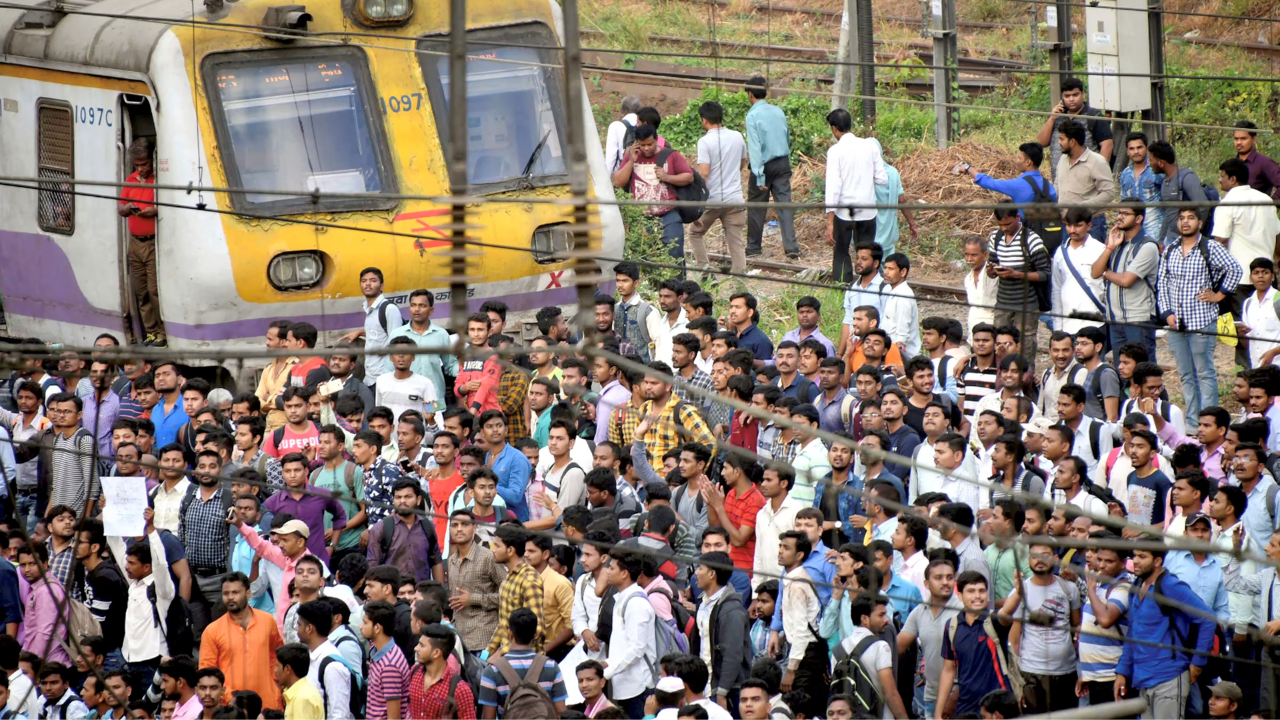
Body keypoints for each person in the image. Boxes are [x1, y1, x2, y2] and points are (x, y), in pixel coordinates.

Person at [1156, 208, 1243, 425]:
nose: (1185, 223)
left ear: (1200, 223)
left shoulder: (1210, 247)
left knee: (1205, 373)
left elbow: (1235, 269)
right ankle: (1194, 422)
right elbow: (1162, 283)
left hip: (1202, 321)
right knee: (1186, 374)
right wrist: (1166, 313)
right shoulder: (1171, 250)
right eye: (1182, 219)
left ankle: (1210, 421)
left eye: (1191, 218)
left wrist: (1219, 295)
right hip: (1176, 324)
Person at [1116, 537, 1216, 719]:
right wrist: (1122, 671)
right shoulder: (1136, 586)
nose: (1135, 561)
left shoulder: (1170, 586)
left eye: (1142, 556)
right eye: (1135, 555)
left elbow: (1207, 619)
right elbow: (1133, 633)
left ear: (1157, 561)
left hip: (1169, 676)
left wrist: (1197, 664)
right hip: (1142, 678)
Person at [1213, 157, 1280, 364]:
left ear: (1233, 179)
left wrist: (1219, 275)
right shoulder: (1266, 200)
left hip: (1241, 277)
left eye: (1222, 177)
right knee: (1271, 328)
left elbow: (1220, 241)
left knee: (1244, 330)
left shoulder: (1228, 202)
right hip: (1268, 274)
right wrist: (1275, 261)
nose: (1220, 181)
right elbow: (1278, 235)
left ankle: (1248, 376)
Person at [1001, 540, 1081, 714]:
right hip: (1033, 673)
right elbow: (1013, 640)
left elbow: (1077, 627)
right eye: (1034, 556)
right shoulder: (1021, 591)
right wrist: (1019, 681)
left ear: (1055, 558)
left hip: (1066, 672)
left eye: (1044, 555)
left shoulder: (1069, 589)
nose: (1039, 560)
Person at [198, 571, 284, 710]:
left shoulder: (267, 621)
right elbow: (208, 673)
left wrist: (276, 688)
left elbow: (277, 658)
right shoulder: (212, 631)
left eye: (235, 592)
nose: (230, 597)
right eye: (226, 594)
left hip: (269, 706)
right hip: (232, 709)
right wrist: (230, 698)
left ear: (248, 593)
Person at [612, 124, 695, 264]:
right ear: (637, 143)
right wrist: (631, 160)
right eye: (642, 145)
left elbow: (689, 177)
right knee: (646, 257)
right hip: (641, 218)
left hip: (668, 214)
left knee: (674, 253)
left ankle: (677, 285)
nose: (646, 148)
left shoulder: (671, 155)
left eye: (650, 144)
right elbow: (618, 182)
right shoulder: (631, 156)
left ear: (657, 139)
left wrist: (667, 178)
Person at [935, 572, 1013, 719]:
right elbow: (948, 670)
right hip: (966, 706)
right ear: (960, 596)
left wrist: (1019, 593)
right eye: (971, 591)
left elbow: (1008, 610)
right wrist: (938, 713)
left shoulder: (994, 621)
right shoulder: (952, 626)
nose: (977, 596)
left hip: (996, 707)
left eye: (981, 591)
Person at [824, 108, 887, 282]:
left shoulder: (835, 151)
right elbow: (882, 178)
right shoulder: (870, 146)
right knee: (866, 253)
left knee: (841, 252)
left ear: (835, 128)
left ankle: (842, 288)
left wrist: (830, 222)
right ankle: (868, 286)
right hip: (867, 211)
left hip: (844, 213)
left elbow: (833, 188)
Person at [687, 101, 748, 274]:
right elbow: (742, 163)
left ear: (704, 120)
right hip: (735, 199)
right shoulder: (737, 136)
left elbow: (704, 173)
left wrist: (697, 200)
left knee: (695, 233)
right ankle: (739, 280)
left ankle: (705, 273)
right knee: (735, 241)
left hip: (713, 200)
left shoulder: (705, 141)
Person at [985, 209, 1050, 367]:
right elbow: (992, 264)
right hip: (1003, 302)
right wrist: (992, 271)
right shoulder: (995, 237)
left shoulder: (1031, 239)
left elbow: (1045, 274)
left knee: (1025, 347)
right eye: (1001, 225)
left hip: (1026, 303)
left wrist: (1017, 274)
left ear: (1018, 217)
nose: (1004, 228)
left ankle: (1025, 379)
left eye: (1008, 224)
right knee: (1000, 345)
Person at [744, 76, 798, 259]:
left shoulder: (752, 116)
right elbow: (786, 137)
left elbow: (755, 148)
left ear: (750, 95)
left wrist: (758, 175)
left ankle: (753, 248)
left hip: (764, 165)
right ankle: (791, 248)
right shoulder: (778, 111)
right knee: (785, 205)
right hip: (783, 161)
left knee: (757, 206)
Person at [118, 138, 166, 346]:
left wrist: (153, 211)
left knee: (155, 290)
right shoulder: (131, 180)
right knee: (141, 291)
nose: (141, 169)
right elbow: (120, 209)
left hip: (153, 243)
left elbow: (165, 206)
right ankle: (151, 331)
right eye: (137, 165)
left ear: (152, 161)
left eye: (144, 164)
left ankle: (163, 333)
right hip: (134, 243)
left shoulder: (160, 180)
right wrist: (128, 208)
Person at [834, 594, 908, 720]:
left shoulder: (838, 649)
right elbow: (890, 693)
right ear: (865, 619)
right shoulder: (880, 646)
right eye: (881, 615)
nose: (886, 620)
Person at [777, 531, 827, 718]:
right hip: (804, 651)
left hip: (806, 655)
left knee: (800, 709)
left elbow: (800, 631)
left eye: (786, 548)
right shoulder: (791, 578)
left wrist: (791, 670)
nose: (780, 551)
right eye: (780, 546)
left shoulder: (797, 584)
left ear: (799, 555)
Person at [367, 480, 444, 584]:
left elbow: (436, 561)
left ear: (418, 499)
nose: (402, 501)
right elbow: (373, 565)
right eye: (398, 497)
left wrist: (440, 593)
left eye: (408, 497)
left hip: (421, 594)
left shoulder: (427, 527)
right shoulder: (381, 528)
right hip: (392, 594)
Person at [1037, 76, 1114, 180]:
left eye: (1075, 95)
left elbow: (1107, 145)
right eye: (1067, 96)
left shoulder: (1093, 116)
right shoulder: (1058, 116)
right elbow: (1042, 142)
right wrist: (1052, 119)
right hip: (1060, 180)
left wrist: (1099, 174)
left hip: (1086, 180)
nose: (1071, 99)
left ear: (1083, 94)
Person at [486, 525, 545, 658]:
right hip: (508, 657)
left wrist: (502, 653)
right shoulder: (508, 578)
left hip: (526, 660)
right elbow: (503, 624)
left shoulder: (529, 579)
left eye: (497, 546)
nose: (493, 550)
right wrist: (487, 653)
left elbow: (535, 628)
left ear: (510, 550)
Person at [1054, 123, 1114, 240]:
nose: (1059, 142)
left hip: (1091, 225)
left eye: (1061, 139)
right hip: (1067, 224)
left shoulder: (1097, 161)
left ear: (1072, 142)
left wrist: (1080, 209)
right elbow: (1057, 185)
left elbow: (1109, 193)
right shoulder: (1062, 159)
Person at [1051, 208, 1107, 334]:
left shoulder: (1100, 249)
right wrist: (1057, 325)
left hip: (1095, 322)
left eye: (1078, 226)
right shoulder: (1060, 252)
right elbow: (1056, 289)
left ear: (1089, 226)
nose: (1072, 230)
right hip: (1067, 324)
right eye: (1069, 225)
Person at [1148, 141, 1209, 247]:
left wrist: (1194, 231)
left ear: (1161, 163)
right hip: (1171, 239)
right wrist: (1161, 239)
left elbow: (1204, 205)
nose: (1149, 163)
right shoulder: (1165, 181)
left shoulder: (1186, 177)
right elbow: (1168, 212)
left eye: (1151, 160)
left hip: (1188, 240)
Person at [1239, 258, 1280, 367]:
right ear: (1250, 278)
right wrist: (1242, 334)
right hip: (1256, 366)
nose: (1260, 276)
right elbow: (1246, 342)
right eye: (1256, 273)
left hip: (1277, 366)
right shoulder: (1248, 303)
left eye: (1265, 272)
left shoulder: (1278, 300)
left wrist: (1273, 352)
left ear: (1272, 277)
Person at [881, 254, 920, 359]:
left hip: (901, 355)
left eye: (891, 269)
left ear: (903, 272)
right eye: (885, 268)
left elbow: (902, 332)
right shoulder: (890, 290)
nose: (886, 272)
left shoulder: (904, 296)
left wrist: (897, 356)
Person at [274, 644, 324, 720]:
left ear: (287, 669)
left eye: (277, 666)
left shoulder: (301, 698)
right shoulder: (302, 692)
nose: (275, 670)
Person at [1233, 119, 1280, 197]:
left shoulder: (1264, 163)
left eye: (1243, 138)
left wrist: (1270, 204)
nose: (1239, 142)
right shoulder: (1233, 164)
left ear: (1254, 139)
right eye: (1236, 139)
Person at [605, 95, 642, 174]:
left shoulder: (615, 126)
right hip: (641, 171)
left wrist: (607, 178)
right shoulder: (645, 123)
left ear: (622, 110)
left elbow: (611, 156)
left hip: (622, 173)